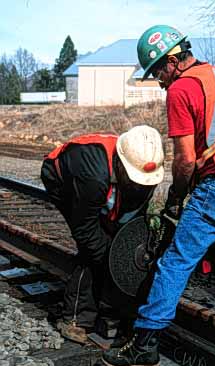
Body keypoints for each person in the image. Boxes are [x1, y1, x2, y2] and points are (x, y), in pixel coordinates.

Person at [101, 25, 215, 366]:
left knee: (176, 260)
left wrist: (176, 196)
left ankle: (145, 342)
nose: (160, 81)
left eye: (158, 72)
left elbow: (184, 159)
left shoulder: (181, 89)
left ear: (171, 62)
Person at [41, 125, 164, 344]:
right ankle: (75, 319)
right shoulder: (93, 176)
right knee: (92, 251)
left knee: (118, 245)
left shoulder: (144, 171)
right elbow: (85, 228)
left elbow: (131, 223)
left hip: (104, 181)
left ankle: (113, 308)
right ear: (121, 165)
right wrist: (108, 259)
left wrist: (124, 256)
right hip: (61, 179)